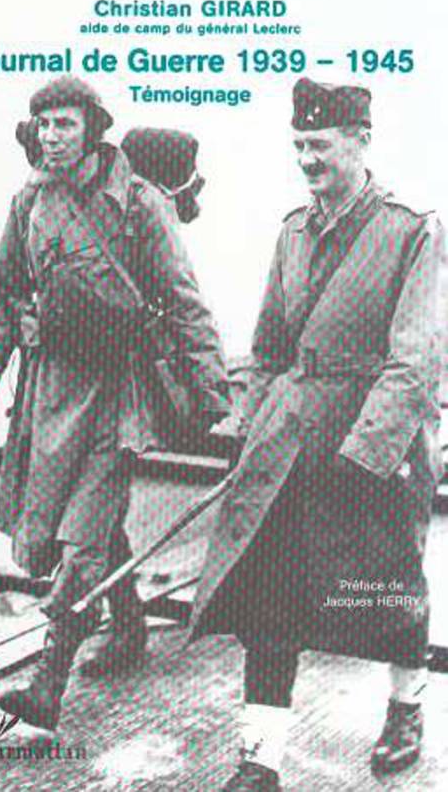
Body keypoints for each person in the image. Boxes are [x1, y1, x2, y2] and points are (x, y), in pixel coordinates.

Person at [186, 78, 446, 790]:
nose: (306, 158)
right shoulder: (292, 231)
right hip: (289, 448)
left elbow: (417, 359)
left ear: (360, 142)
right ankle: (260, 759)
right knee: (268, 596)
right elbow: (269, 348)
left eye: (320, 144)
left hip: (375, 452)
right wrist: (252, 431)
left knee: (384, 589)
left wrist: (365, 454)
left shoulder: (411, 230)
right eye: (299, 144)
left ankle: (405, 706)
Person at [0, 75, 230, 731]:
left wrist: (211, 391)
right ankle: (129, 625)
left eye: (66, 124)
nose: (52, 137)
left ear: (93, 129)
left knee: (81, 536)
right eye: (44, 124)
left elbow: (183, 299)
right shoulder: (30, 200)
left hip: (116, 392)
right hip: (48, 390)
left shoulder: (138, 202)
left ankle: (47, 682)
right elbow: (0, 293)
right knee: (75, 522)